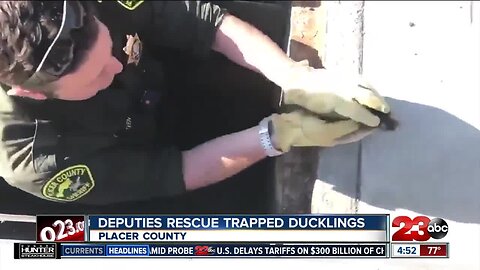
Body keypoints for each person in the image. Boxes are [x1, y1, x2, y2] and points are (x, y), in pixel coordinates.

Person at [0, 0, 390, 205]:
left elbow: (199, 19)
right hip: (152, 151)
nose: (116, 65)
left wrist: (294, 77)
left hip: (172, 69)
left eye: (108, 48)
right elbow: (171, 172)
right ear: (33, 93)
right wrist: (277, 135)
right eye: (95, 76)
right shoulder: (34, 159)